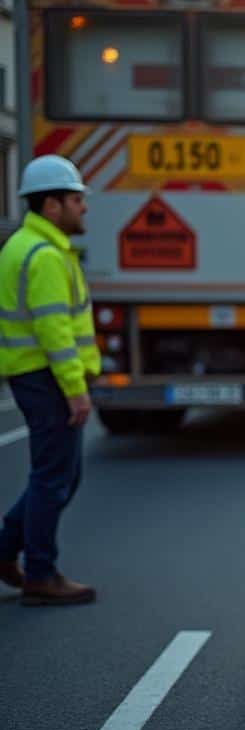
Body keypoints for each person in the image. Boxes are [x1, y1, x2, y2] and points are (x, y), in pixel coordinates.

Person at [0, 156, 99, 606]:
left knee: (59, 475)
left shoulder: (26, 246)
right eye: (76, 200)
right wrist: (75, 390)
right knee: (54, 477)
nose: (84, 208)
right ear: (52, 204)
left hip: (32, 373)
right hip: (46, 377)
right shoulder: (43, 255)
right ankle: (40, 573)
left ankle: (6, 550)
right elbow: (54, 331)